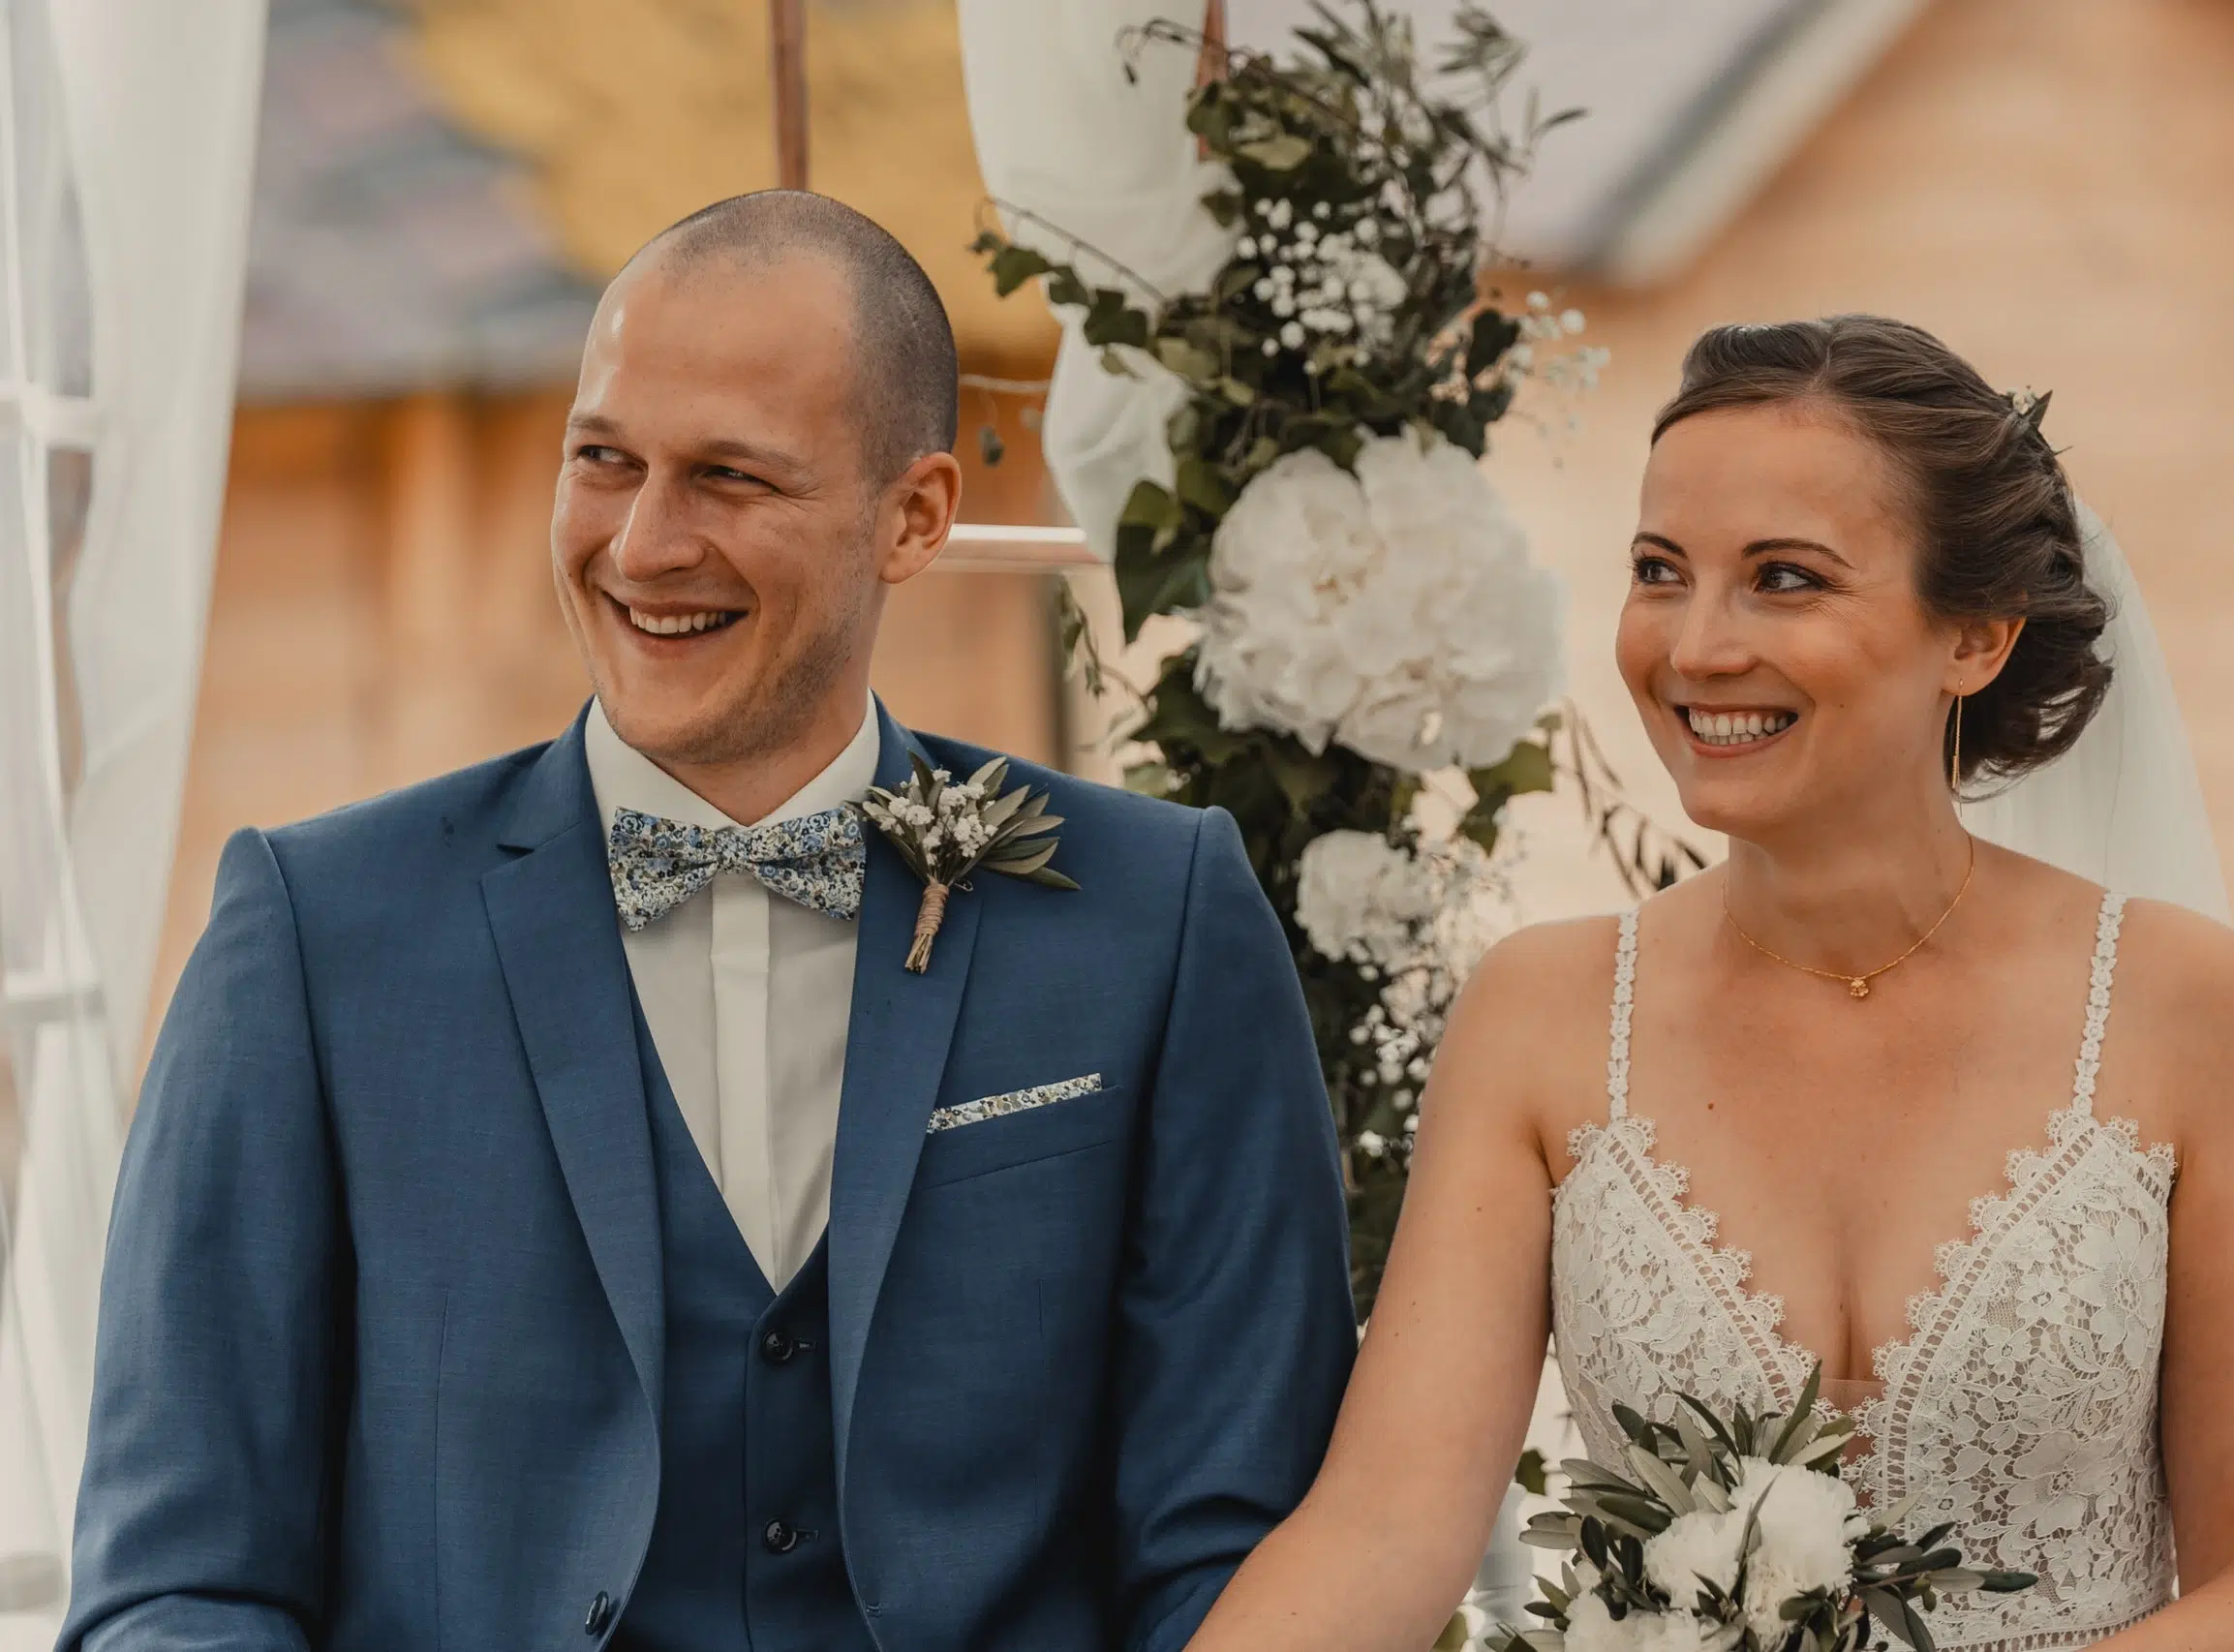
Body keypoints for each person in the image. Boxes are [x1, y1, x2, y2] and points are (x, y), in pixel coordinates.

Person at [58, 190, 1355, 1652]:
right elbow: (177, 1582)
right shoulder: (314, 936)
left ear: (914, 515)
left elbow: (1235, 1547)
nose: (644, 543)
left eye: (731, 478)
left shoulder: (1150, 917)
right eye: (603, 460)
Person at [1187, 316, 2234, 1651]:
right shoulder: (1542, 1015)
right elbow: (1382, 1526)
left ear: (1973, 634)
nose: (1696, 645)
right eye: (1659, 570)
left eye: (1784, 579)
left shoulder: (2173, 1000)